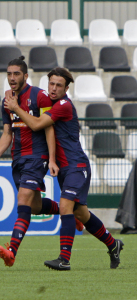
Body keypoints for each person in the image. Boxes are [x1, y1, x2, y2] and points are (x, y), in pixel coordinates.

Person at [4, 67, 124, 270]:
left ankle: (64, 259)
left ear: (66, 88)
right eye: (51, 83)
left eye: (59, 85)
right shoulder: (48, 102)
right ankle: (113, 244)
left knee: (67, 207)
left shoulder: (62, 105)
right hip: (64, 169)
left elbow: (36, 124)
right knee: (82, 214)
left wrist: (15, 107)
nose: (53, 88)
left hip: (77, 166)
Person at [0, 56, 61, 267]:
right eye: (9, 74)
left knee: (23, 197)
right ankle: (69, 210)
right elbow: (7, 134)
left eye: (16, 73)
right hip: (18, 159)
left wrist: (52, 159)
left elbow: (48, 127)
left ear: (26, 76)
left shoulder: (40, 96)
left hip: (37, 157)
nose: (12, 78)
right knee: (33, 207)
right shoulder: (6, 101)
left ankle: (11, 251)